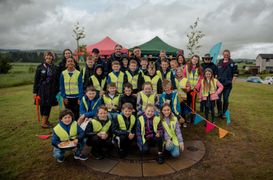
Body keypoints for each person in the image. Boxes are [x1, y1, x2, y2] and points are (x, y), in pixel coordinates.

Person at [33, 51, 59, 128]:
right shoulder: (40, 67)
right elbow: (36, 80)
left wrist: (58, 90)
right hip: (41, 90)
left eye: (50, 56)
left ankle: (45, 122)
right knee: (42, 105)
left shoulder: (55, 67)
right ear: (44, 57)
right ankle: (44, 123)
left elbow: (57, 80)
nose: (48, 57)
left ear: (52, 57)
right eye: (47, 56)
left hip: (51, 89)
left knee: (48, 105)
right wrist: (35, 91)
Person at [216, 50, 238, 118]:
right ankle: (219, 112)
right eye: (225, 54)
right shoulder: (219, 62)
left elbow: (235, 73)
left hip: (227, 85)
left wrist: (232, 81)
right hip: (219, 84)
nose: (226, 55)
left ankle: (224, 113)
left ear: (229, 54)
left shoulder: (233, 63)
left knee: (225, 99)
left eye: (227, 54)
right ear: (223, 54)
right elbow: (216, 72)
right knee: (218, 98)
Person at [183, 55, 203, 120]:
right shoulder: (186, 67)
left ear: (198, 61)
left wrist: (197, 87)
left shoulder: (200, 68)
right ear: (191, 59)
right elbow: (184, 76)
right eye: (194, 59)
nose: (195, 61)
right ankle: (188, 115)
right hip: (188, 88)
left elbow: (201, 79)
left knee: (193, 102)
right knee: (188, 101)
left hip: (195, 89)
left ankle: (193, 114)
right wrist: (187, 86)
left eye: (196, 60)